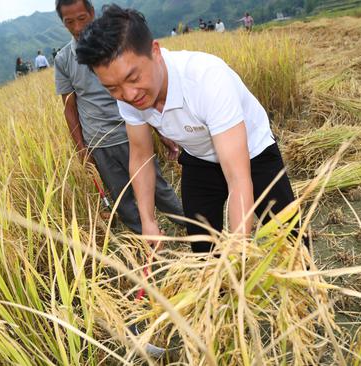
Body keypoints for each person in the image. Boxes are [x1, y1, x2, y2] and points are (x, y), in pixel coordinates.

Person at [76, 5, 297, 253]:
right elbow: (140, 157)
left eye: (133, 78)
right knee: (201, 243)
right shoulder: (127, 96)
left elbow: (238, 179)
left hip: (253, 152)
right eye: (112, 87)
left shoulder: (205, 79)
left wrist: (236, 256)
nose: (127, 94)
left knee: (289, 235)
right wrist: (148, 221)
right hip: (199, 155)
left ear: (155, 52)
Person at [54, 0, 183, 234]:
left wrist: (161, 131)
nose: (77, 27)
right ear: (62, 23)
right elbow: (69, 109)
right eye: (69, 22)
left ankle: (194, 228)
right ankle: (148, 245)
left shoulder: (116, 47)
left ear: (92, 13)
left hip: (131, 133)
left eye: (82, 18)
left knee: (157, 188)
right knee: (121, 197)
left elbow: (142, 95)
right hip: (99, 142)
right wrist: (83, 151)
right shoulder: (64, 60)